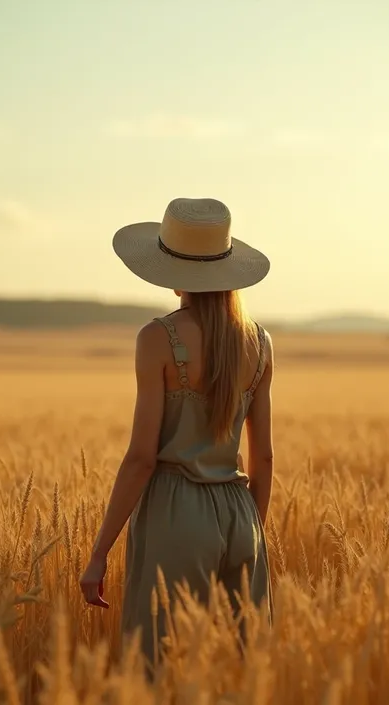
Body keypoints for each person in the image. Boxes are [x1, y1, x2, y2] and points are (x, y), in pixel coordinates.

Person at [80, 197, 274, 666]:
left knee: (158, 666)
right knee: (243, 669)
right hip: (241, 511)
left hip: (175, 510)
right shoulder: (260, 342)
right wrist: (252, 533)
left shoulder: (158, 338)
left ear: (170, 269)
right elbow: (264, 457)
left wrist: (100, 552)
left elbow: (141, 459)